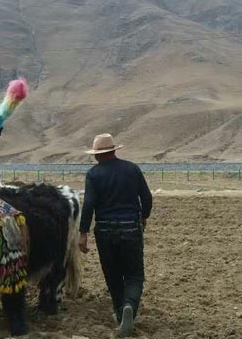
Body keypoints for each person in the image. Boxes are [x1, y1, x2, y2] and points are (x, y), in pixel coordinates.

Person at [78, 133, 152, 337]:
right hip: (130, 228)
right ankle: (129, 307)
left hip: (105, 230)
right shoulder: (132, 169)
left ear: (97, 155)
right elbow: (146, 197)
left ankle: (120, 314)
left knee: (113, 275)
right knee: (134, 275)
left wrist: (83, 233)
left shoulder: (93, 174)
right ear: (114, 150)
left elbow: (89, 205)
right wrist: (143, 216)